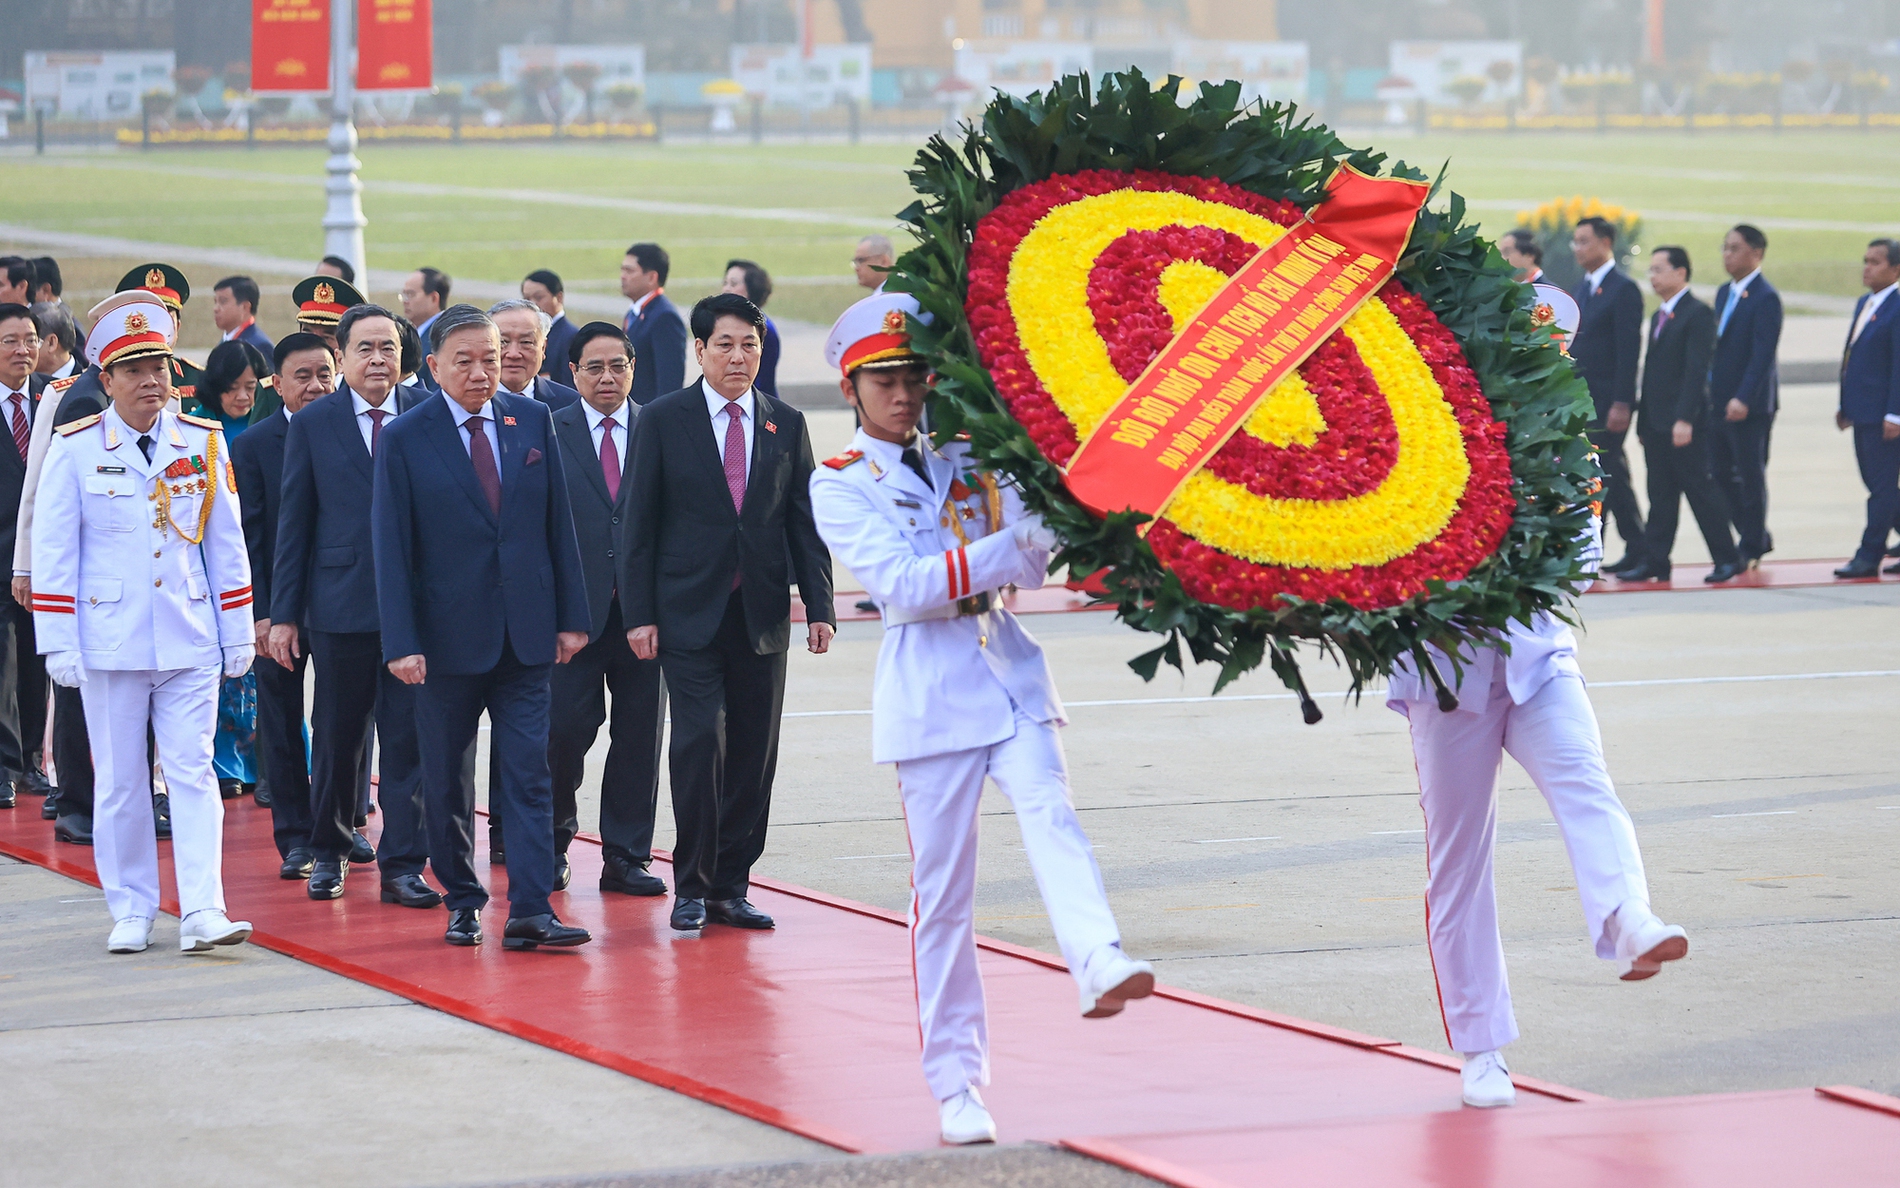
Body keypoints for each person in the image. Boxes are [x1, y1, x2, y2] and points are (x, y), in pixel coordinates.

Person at [808, 292, 1155, 1144]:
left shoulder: (969, 456)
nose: (902, 393)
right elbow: (905, 587)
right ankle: (958, 1085)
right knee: (946, 901)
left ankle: (1097, 958)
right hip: (927, 696)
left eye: (913, 377)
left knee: (1052, 813)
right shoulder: (840, 481)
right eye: (881, 380)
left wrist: (1039, 513)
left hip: (1006, 668)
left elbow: (1037, 554)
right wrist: (1007, 549)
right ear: (852, 391)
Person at [1386, 519, 1688, 1111]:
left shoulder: (1554, 437)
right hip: (1442, 671)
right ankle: (1482, 1049)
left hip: (1536, 653)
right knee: (1459, 860)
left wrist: (1522, 563)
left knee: (1585, 782)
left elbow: (1582, 552)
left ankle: (1628, 917)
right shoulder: (1410, 430)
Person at [32, 293, 256, 955]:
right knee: (124, 781)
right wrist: (58, 640)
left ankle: (203, 910)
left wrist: (236, 628)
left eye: (158, 364)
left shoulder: (202, 440)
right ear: (106, 379)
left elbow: (225, 544)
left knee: (193, 774)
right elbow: (54, 551)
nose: (151, 379)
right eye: (133, 368)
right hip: (112, 642)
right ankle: (131, 908)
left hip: (188, 637)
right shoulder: (76, 448)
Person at [373, 305, 592, 950]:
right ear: (433, 366)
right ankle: (463, 900)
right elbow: (393, 547)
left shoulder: (533, 421)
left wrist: (572, 618)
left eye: (490, 359)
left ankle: (530, 909)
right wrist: (401, 640)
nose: (479, 372)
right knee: (446, 779)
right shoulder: (407, 437)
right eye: (463, 361)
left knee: (529, 772)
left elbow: (559, 525)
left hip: (525, 636)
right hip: (443, 645)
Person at [621, 292, 835, 932]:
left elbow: (803, 521)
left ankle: (731, 885)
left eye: (750, 346)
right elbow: (639, 527)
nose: (738, 357)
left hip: (762, 617)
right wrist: (639, 615)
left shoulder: (785, 423)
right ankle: (691, 884)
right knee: (697, 747)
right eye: (725, 346)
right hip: (686, 616)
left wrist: (818, 603)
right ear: (700, 351)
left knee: (752, 753)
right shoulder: (663, 419)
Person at [271, 305, 437, 905]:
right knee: (339, 735)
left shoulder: (427, 412)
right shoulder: (316, 422)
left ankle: (404, 865)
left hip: (416, 611)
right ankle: (330, 849)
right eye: (364, 349)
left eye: (387, 348)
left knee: (409, 738)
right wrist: (284, 613)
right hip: (340, 604)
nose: (377, 360)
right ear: (341, 357)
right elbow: (295, 523)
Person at [23, 292, 190, 845]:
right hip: (91, 591)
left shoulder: (177, 416)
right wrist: (27, 567)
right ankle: (75, 799)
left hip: (151, 591)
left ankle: (146, 794)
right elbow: (39, 495)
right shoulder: (70, 400)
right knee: (75, 697)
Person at [535, 322, 669, 896]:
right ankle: (550, 844)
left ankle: (626, 855)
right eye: (595, 367)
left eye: (618, 365)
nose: (608, 377)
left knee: (640, 735)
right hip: (573, 617)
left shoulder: (659, 429)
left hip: (645, 615)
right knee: (563, 733)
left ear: (633, 369)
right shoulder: (548, 429)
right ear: (573, 374)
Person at [232, 334, 335, 880]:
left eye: (324, 373)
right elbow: (248, 539)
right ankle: (296, 837)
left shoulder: (358, 433)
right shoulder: (252, 446)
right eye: (302, 376)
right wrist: (264, 613)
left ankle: (338, 829)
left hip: (343, 606)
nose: (316, 385)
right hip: (278, 608)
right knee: (280, 719)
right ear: (277, 384)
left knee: (342, 721)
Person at [1623, 248, 1741, 585]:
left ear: (1681, 273)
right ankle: (1656, 561)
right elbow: (1652, 376)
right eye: (1651, 270)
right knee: (1660, 495)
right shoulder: (1660, 315)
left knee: (1700, 492)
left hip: (1683, 425)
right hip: (1657, 424)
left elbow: (1695, 373)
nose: (1653, 277)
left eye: (1659, 270)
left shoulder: (1697, 314)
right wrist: (1644, 421)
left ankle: (1727, 557)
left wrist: (1685, 418)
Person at [196, 341, 271, 798]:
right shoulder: (198, 430)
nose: (242, 397)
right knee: (224, 673)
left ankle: (270, 765)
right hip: (212, 559)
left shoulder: (271, 425)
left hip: (261, 556)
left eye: (250, 387)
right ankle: (226, 765)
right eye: (232, 388)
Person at [1568, 217, 1646, 574]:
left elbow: (1629, 351)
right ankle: (1632, 545)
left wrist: (1622, 402)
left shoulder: (1622, 289)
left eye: (1584, 241)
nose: (1577, 248)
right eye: (1575, 241)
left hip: (1608, 401)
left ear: (1605, 242)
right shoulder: (1584, 287)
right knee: (1609, 472)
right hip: (1586, 400)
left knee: (1606, 472)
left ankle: (1613, 548)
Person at [1708, 224, 1782, 570]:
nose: (1727, 254)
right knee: (1720, 472)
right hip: (1719, 401)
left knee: (1750, 476)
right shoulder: (1725, 292)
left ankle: (1750, 545)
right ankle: (1755, 534)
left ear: (1756, 253)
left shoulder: (1766, 298)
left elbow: (1761, 357)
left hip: (1748, 405)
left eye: (1734, 248)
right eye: (1725, 247)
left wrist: (1743, 398)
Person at [0, 305, 50, 813]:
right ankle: (3, 766)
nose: (22, 350)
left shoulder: (54, 400)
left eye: (30, 339)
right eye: (10, 341)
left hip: (42, 556)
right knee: (2, 665)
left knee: (39, 662)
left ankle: (33, 761)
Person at [1833, 238, 1900, 579]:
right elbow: (1852, 357)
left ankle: (1869, 554)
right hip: (1862, 409)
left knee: (1881, 488)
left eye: (1876, 262)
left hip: (1884, 414)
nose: (1867, 267)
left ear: (1896, 269)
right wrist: (1844, 403)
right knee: (1876, 482)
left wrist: (1895, 413)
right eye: (1865, 260)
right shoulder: (1866, 302)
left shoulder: (1897, 306)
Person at [116, 264, 206, 409]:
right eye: (150, 318)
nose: (158, 328)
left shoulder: (200, 379)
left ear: (177, 326)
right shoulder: (116, 379)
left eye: (165, 319)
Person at [620, 243, 685, 406]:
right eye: (622, 270)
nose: (622, 276)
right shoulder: (636, 311)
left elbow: (669, 382)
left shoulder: (665, 317)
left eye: (629, 271)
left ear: (651, 277)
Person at [487, 299, 580, 410]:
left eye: (526, 342)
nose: (513, 354)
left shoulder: (571, 404)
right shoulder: (468, 401)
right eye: (503, 342)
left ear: (543, 348)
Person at [722, 260, 779, 397]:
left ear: (751, 289)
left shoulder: (765, 330)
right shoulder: (722, 324)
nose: (726, 289)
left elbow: (763, 382)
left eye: (733, 284)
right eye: (725, 283)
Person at [522, 270, 577, 388]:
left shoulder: (571, 337)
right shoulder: (526, 334)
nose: (532, 304)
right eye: (526, 298)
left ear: (559, 297)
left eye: (538, 297)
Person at [400, 268, 451, 391]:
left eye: (411, 294)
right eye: (404, 295)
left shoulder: (441, 337)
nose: (405, 301)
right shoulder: (417, 333)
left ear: (434, 298)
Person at [212, 276, 275, 355]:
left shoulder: (258, 346)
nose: (216, 308)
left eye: (223, 301)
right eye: (215, 302)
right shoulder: (226, 341)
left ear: (245, 307)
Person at [31, 301, 78, 381]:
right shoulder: (23, 385)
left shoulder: (91, 386)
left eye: (30, 341)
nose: (23, 350)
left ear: (51, 343)